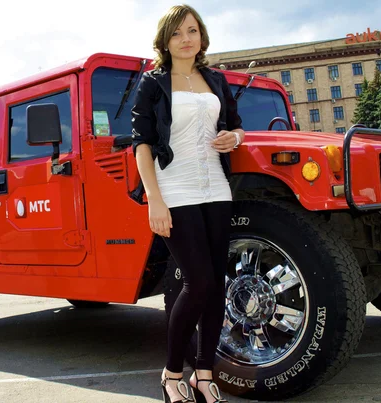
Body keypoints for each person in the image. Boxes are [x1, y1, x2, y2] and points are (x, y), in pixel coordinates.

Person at [131, 5, 244, 403]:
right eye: (177, 32)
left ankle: (205, 375)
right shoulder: (153, 83)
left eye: (192, 30)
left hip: (216, 185)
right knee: (198, 283)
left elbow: (233, 122)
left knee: (217, 286)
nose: (186, 38)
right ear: (166, 40)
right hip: (174, 188)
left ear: (202, 36)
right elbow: (141, 145)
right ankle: (172, 372)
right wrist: (154, 200)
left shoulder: (215, 79)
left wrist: (235, 138)